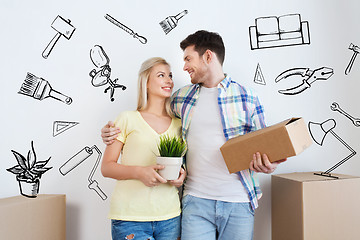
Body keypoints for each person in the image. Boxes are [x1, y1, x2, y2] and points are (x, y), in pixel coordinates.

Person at [101, 31, 285, 240]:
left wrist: (269, 164)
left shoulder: (248, 97)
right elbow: (147, 118)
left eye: (188, 59)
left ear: (208, 56)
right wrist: (109, 132)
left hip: (238, 200)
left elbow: (267, 146)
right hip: (195, 202)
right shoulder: (181, 98)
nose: (184, 67)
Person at [101, 57, 185, 240]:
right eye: (161, 75)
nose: (169, 80)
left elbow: (183, 164)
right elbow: (107, 167)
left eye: (170, 75)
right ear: (146, 83)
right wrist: (140, 172)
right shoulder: (127, 118)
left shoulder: (180, 124)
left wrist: (181, 175)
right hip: (130, 218)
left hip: (170, 217)